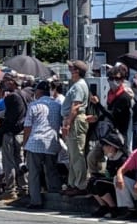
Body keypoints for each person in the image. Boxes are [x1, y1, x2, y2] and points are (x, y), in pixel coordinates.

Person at [21, 79, 63, 210]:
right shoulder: (57, 105)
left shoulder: (34, 105)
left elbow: (28, 126)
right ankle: (55, 196)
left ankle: (36, 201)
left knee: (34, 173)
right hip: (51, 141)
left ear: (38, 92)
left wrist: (24, 142)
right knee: (51, 170)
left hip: (35, 141)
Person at [0, 70, 28, 200]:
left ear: (12, 82)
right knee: (19, 161)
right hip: (21, 132)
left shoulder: (11, 96)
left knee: (9, 162)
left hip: (10, 132)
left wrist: (1, 126)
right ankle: (24, 187)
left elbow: (7, 117)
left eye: (6, 81)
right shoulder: (25, 94)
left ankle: (10, 189)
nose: (4, 84)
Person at [60, 60, 90, 196]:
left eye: (71, 68)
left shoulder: (79, 86)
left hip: (76, 120)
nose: (69, 70)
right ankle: (73, 183)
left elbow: (76, 106)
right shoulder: (76, 85)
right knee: (72, 154)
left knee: (77, 153)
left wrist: (67, 123)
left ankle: (80, 184)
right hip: (73, 119)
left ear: (77, 71)